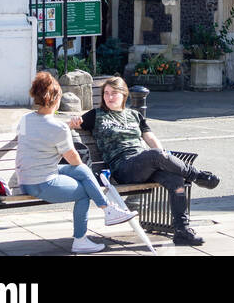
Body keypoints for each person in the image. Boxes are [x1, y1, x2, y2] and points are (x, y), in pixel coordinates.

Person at [70, 76, 220, 247]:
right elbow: (68, 125)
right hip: (123, 168)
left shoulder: (135, 115)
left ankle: (182, 231)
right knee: (155, 155)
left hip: (144, 164)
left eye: (114, 93)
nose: (109, 97)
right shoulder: (96, 115)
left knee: (175, 180)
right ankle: (197, 175)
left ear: (124, 95)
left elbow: (151, 139)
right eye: (106, 93)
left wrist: (165, 159)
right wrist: (73, 121)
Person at [16, 71, 139, 255]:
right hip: (41, 184)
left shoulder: (25, 119)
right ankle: (81, 239)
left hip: (25, 179)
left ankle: (108, 210)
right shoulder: (58, 128)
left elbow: (40, 130)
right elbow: (74, 159)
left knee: (81, 172)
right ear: (56, 99)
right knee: (84, 191)